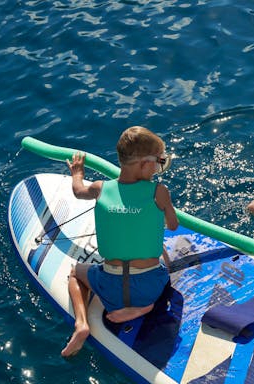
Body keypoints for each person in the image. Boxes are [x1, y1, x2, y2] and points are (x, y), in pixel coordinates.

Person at [60, 126, 179, 357]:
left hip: (110, 289)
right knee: (161, 249)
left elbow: (78, 191)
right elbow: (173, 225)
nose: (159, 167)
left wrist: (77, 173)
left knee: (76, 273)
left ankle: (82, 323)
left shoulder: (100, 188)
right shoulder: (159, 191)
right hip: (151, 290)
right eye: (159, 161)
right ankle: (144, 308)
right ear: (144, 164)